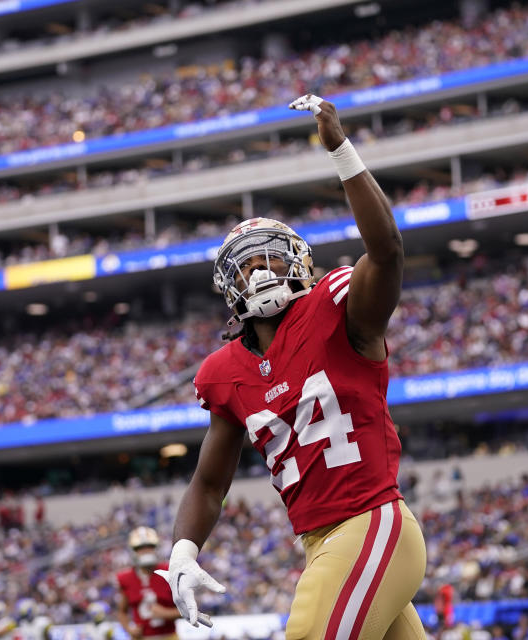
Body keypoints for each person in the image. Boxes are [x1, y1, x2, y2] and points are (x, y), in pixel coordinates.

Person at [156, 94, 427, 640]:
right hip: (320, 541)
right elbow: (209, 483)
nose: (260, 272)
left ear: (300, 264)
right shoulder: (225, 371)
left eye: (271, 259)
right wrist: (183, 551)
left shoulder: (336, 309)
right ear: (229, 288)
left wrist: (342, 152)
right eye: (248, 265)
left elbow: (389, 250)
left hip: (371, 522)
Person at [116, 527, 180, 640]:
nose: (145, 551)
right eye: (140, 548)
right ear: (133, 551)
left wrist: (166, 613)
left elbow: (190, 609)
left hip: (169, 636)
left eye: (149, 547)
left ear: (156, 548)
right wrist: (129, 629)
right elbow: (122, 612)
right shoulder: (125, 578)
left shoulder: (170, 572)